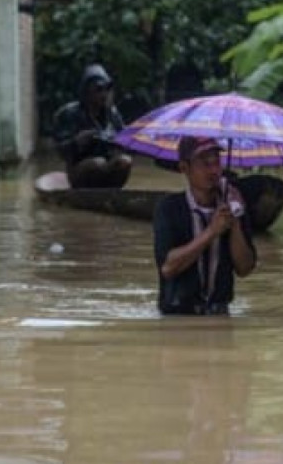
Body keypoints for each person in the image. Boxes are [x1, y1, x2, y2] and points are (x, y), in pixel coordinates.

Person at [153, 136, 257, 315]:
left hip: (220, 314)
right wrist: (211, 231)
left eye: (217, 163)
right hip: (178, 317)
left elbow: (245, 268)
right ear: (184, 168)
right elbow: (168, 268)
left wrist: (235, 223)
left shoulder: (233, 206)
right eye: (205, 164)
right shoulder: (169, 208)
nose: (214, 170)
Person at [52, 64, 132, 188]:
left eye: (107, 89)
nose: (104, 94)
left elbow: (124, 140)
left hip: (107, 164)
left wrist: (119, 142)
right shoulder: (70, 113)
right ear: (87, 92)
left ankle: (113, 192)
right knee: (97, 163)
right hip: (80, 168)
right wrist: (77, 142)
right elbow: (60, 150)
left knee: (125, 161)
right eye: (99, 89)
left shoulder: (112, 113)